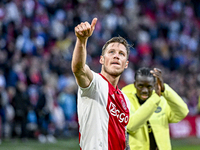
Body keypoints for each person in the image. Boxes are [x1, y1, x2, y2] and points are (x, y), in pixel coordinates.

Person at [71, 18, 131, 150]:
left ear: (126, 64)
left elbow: (123, 139)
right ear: (102, 60)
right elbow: (79, 69)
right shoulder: (95, 84)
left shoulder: (125, 100)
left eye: (121, 54)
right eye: (111, 52)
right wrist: (82, 40)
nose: (116, 56)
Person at [121, 67, 189, 150]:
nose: (144, 90)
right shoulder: (124, 99)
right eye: (140, 86)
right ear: (134, 84)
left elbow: (182, 112)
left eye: (149, 86)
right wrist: (155, 98)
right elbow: (131, 126)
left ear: (154, 85)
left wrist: (165, 89)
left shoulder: (161, 100)